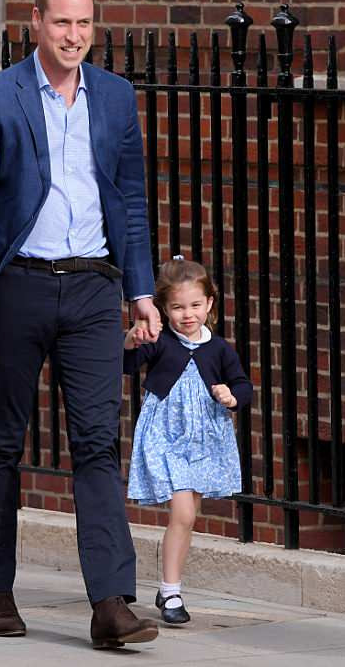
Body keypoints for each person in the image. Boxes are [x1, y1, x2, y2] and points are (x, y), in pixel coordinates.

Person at [0, 0, 162, 649]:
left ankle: (110, 602)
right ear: (34, 22)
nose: (74, 37)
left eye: (85, 23)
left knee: (97, 442)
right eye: (62, 23)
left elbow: (131, 201)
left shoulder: (117, 98)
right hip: (19, 287)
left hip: (93, 287)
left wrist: (141, 291)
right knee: (2, 440)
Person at [123, 257, 253, 625]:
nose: (188, 314)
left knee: (188, 517)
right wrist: (131, 341)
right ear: (163, 308)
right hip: (166, 435)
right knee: (182, 513)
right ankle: (172, 592)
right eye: (178, 307)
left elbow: (244, 385)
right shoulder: (161, 342)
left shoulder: (219, 348)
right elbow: (127, 363)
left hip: (204, 440)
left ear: (210, 303)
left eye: (196, 305)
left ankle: (169, 588)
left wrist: (232, 396)